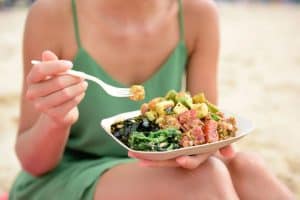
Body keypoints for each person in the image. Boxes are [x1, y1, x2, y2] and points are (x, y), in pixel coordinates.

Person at [9, 0, 294, 199]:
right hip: (67, 176)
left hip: (162, 168)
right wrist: (56, 120)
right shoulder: (53, 14)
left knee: (248, 168)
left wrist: (203, 149)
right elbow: (34, 164)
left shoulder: (198, 14)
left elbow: (206, 136)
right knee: (207, 180)